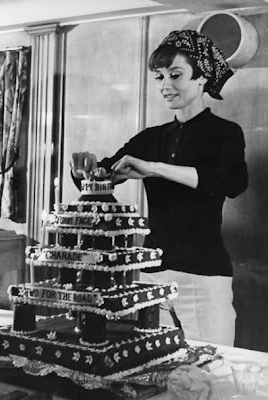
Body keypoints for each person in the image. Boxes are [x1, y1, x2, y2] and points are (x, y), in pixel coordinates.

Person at [70, 30, 248, 346]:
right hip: (152, 273)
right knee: (157, 369)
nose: (165, 85)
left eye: (175, 75)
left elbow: (231, 182)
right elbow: (102, 176)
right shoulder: (151, 138)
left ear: (202, 78)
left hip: (203, 274)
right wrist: (84, 171)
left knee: (213, 365)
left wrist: (155, 168)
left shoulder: (224, 133)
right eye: (159, 76)